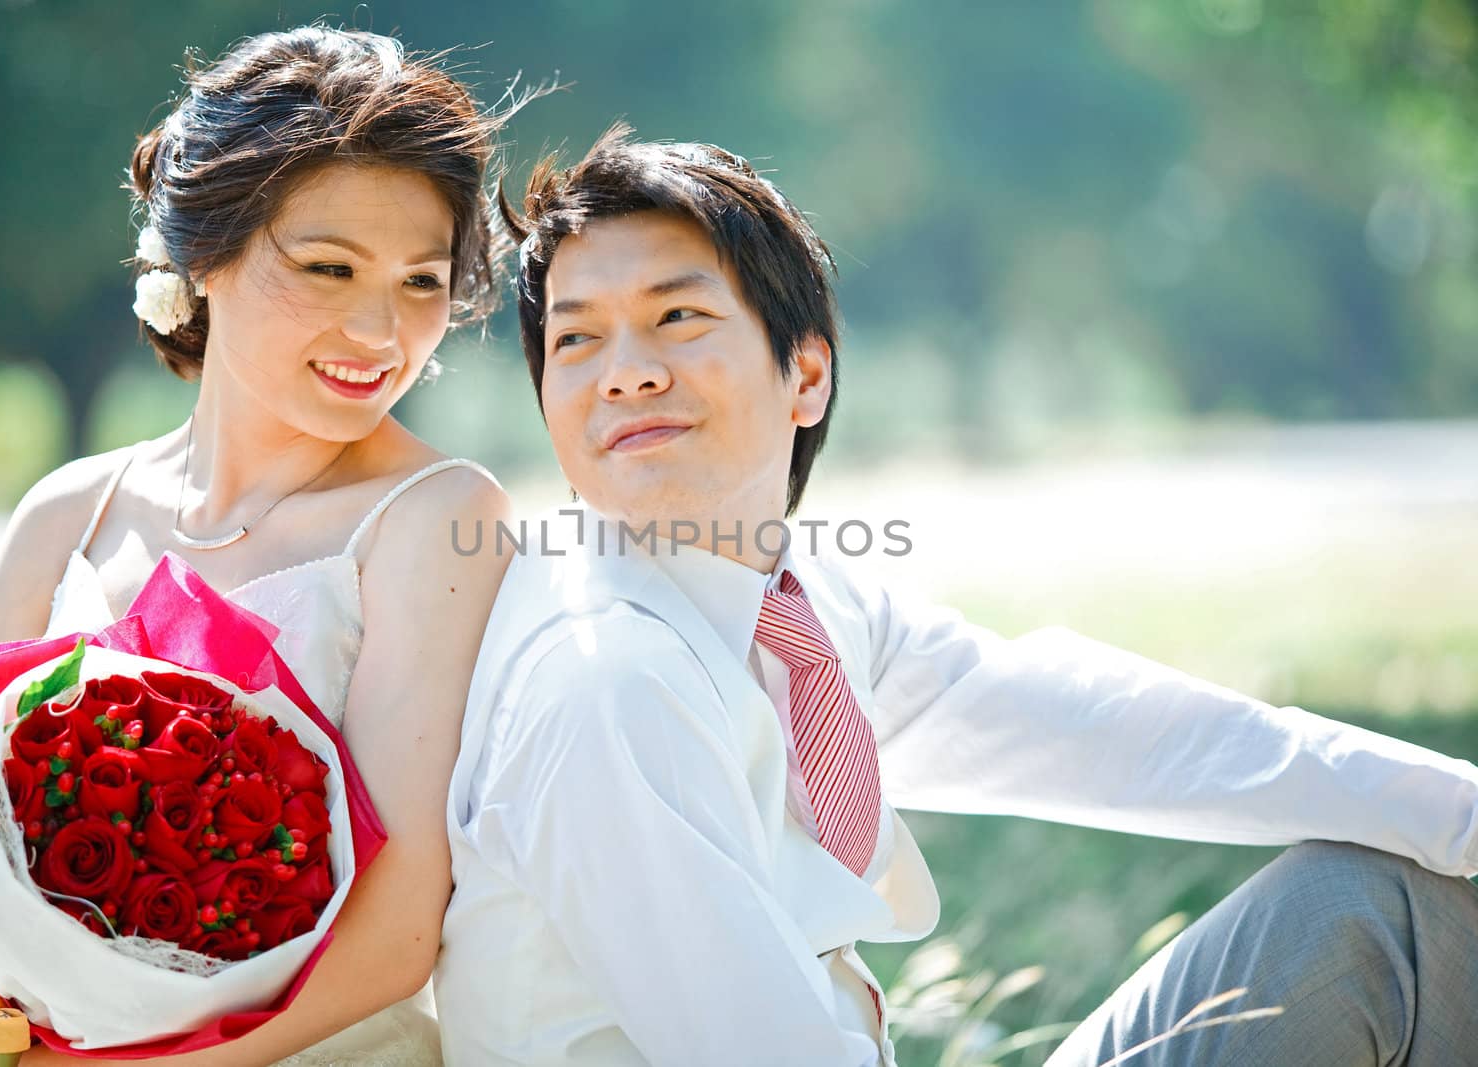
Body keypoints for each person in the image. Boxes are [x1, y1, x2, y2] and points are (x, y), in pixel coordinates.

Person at [432, 126, 1478, 1065]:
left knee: (1387, 894)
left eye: (676, 316)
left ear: (807, 376)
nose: (624, 372)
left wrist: (1460, 809)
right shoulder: (606, 682)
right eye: (575, 338)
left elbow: (1117, 732)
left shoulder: (796, 601)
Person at [0, 26, 520, 1067]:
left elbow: (398, 933)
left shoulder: (441, 516)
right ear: (204, 252)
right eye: (329, 267)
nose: (380, 330)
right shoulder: (67, 513)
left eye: (421, 282)